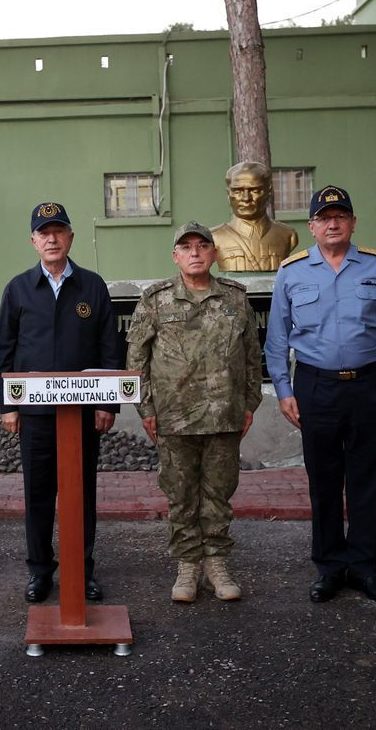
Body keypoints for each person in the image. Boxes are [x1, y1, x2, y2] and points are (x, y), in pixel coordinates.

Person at [264, 185, 376, 605]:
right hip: (316, 386)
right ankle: (330, 567)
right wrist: (283, 390)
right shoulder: (292, 272)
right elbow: (277, 340)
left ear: (352, 222)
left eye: (340, 216)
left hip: (368, 384)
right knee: (324, 481)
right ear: (311, 226)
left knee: (368, 478)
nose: (333, 223)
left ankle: (365, 568)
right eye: (324, 218)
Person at [0, 202, 124, 604]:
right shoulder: (18, 289)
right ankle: (39, 572)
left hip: (83, 414)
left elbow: (110, 347)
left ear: (70, 237)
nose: (51, 238)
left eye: (58, 231)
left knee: (80, 494)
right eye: (43, 232)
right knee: (38, 496)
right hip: (34, 416)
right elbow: (5, 352)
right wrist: (8, 407)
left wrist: (108, 405)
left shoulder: (92, 286)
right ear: (33, 241)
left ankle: (81, 572)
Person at [126, 221, 262, 603]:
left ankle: (216, 563)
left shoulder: (235, 298)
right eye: (186, 247)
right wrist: (146, 408)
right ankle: (187, 565)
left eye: (203, 246)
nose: (195, 252)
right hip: (174, 417)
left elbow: (253, 355)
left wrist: (249, 403)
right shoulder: (156, 299)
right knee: (181, 495)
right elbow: (137, 359)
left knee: (218, 494)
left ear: (214, 254)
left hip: (224, 415)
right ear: (175, 256)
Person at [210, 161, 299, 272]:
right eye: (238, 191)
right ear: (228, 194)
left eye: (255, 190)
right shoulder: (214, 237)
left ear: (269, 192)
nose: (246, 198)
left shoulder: (287, 235)